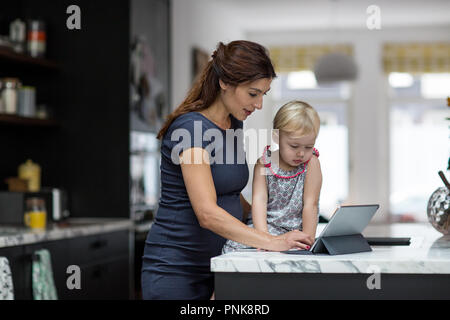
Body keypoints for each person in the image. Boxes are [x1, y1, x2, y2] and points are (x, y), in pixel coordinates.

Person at [141, 41, 313, 300]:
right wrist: (272, 241)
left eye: (263, 95)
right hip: (177, 272)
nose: (259, 105)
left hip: (221, 264)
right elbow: (207, 213)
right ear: (224, 83)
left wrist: (278, 219)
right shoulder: (190, 129)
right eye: (253, 94)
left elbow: (231, 196)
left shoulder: (233, 124)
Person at [222, 100, 322, 253]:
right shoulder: (264, 163)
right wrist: (264, 239)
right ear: (276, 137)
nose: (301, 153)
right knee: (231, 246)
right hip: (267, 228)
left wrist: (307, 240)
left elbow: (311, 204)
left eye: (308, 146)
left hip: (296, 230)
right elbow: (259, 201)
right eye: (294, 146)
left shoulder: (311, 163)